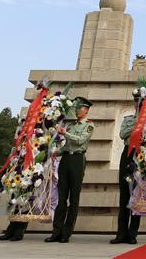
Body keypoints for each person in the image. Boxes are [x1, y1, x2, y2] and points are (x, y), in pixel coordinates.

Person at [45, 97, 94, 243]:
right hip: (65, 159)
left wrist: (64, 132)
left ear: (86, 110)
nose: (77, 111)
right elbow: (66, 145)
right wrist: (55, 152)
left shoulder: (89, 125)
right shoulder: (71, 125)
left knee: (74, 198)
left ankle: (66, 233)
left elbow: (79, 141)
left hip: (78, 160)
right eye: (77, 108)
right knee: (61, 197)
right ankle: (56, 231)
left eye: (80, 108)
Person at [110, 90, 143, 245]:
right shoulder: (128, 119)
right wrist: (137, 124)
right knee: (124, 194)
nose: (138, 103)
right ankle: (121, 233)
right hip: (128, 152)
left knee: (137, 194)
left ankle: (132, 234)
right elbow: (123, 134)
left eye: (141, 101)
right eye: (137, 101)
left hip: (143, 155)